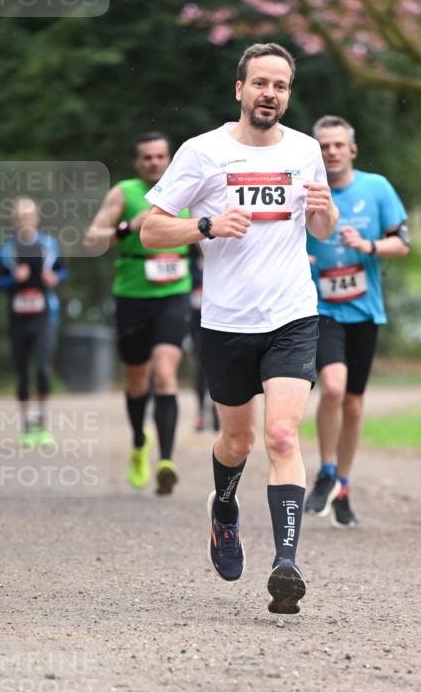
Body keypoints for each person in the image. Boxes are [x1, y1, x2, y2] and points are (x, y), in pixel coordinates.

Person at [141, 43, 338, 614]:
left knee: (282, 435)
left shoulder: (304, 150)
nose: (269, 94)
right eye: (260, 83)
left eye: (280, 85)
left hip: (292, 315)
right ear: (240, 89)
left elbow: (322, 228)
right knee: (238, 441)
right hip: (226, 322)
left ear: (287, 95)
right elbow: (151, 230)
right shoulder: (203, 152)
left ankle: (286, 564)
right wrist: (206, 225)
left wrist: (324, 209)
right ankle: (224, 510)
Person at [305, 115, 410, 529]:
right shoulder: (306, 189)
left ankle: (343, 487)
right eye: (324, 146)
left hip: (365, 310)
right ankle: (326, 470)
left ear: (352, 149)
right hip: (321, 308)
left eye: (338, 145)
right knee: (333, 387)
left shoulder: (376, 187)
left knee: (353, 401)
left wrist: (368, 245)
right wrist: (298, 256)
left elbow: (402, 243)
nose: (331, 152)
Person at [84, 133, 191, 495]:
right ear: (137, 162)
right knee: (136, 381)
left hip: (174, 295)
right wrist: (129, 226)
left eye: (160, 156)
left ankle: (166, 461)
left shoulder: (185, 189)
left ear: (169, 159)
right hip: (132, 297)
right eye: (147, 157)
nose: (154, 162)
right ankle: (138, 441)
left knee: (165, 373)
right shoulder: (124, 193)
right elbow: (92, 240)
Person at [0, 197, 67, 446]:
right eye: (20, 216)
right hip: (18, 318)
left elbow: (63, 270)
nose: (25, 220)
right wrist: (13, 279)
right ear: (14, 220)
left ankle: (42, 425)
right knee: (23, 373)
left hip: (46, 317)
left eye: (29, 215)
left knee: (43, 369)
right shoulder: (6, 250)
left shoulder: (49, 245)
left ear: (36, 219)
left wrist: (55, 278)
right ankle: (26, 426)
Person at [188, 247, 220, 433]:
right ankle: (200, 411)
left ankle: (216, 411)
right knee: (200, 367)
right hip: (196, 321)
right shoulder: (190, 261)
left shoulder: (221, 254)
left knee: (219, 367)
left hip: (220, 319)